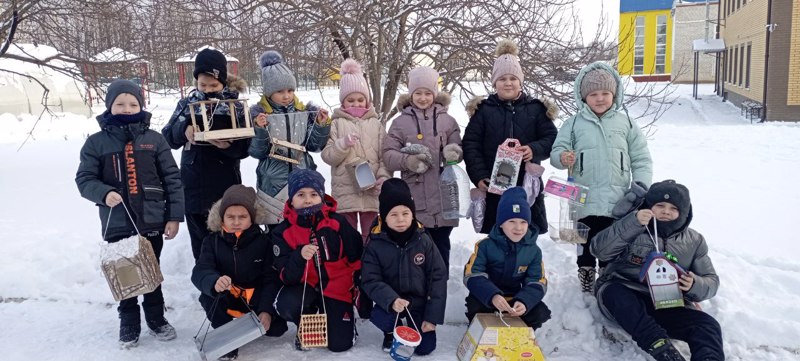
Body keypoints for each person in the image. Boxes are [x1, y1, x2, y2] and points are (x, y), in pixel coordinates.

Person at [76, 79, 183, 347]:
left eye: (133, 103)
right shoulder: (96, 143)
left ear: (141, 105)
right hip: (118, 223)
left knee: (152, 272)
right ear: (110, 106)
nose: (127, 108)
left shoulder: (154, 140)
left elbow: (172, 179)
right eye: (120, 103)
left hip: (152, 219)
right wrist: (102, 193)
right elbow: (84, 179)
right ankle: (129, 321)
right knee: (125, 273)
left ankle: (157, 319)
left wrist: (173, 216)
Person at [591, 180, 723, 361]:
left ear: (684, 212)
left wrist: (694, 284)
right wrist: (632, 223)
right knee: (615, 293)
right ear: (649, 206)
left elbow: (711, 281)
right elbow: (599, 251)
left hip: (667, 303)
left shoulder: (694, 240)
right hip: (625, 295)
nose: (666, 211)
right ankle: (663, 350)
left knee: (708, 326)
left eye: (673, 208)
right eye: (659, 205)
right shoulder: (632, 225)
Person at [550, 61, 653, 292]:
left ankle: (607, 272)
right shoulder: (574, 123)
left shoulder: (626, 123)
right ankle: (585, 270)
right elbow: (557, 151)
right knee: (583, 238)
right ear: (583, 97)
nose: (600, 98)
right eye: (593, 94)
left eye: (605, 93)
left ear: (614, 94)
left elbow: (641, 158)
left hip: (616, 197)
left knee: (612, 237)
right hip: (582, 195)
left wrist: (642, 185)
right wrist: (562, 157)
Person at [161, 47, 250, 260]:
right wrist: (184, 131)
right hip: (193, 184)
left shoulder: (234, 106)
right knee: (200, 240)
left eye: (214, 85)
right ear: (196, 82)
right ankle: (206, 283)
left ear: (223, 82)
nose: (208, 89)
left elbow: (246, 146)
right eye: (203, 85)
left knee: (226, 236)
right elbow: (167, 137)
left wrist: (227, 146)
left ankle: (230, 282)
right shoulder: (187, 104)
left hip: (224, 182)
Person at [463, 39, 558, 236]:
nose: (508, 83)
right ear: (494, 82)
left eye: (513, 78)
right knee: (496, 234)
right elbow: (471, 145)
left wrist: (534, 149)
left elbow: (551, 138)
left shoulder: (535, 109)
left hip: (527, 186)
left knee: (527, 233)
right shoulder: (483, 111)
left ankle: (527, 267)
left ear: (520, 81)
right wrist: (479, 176)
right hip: (494, 186)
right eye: (502, 78)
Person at [191, 185, 288, 360]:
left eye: (242, 216)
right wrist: (214, 281)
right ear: (222, 218)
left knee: (276, 330)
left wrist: (266, 310)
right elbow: (201, 270)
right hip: (227, 299)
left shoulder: (264, 242)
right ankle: (227, 338)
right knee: (209, 296)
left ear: (252, 218)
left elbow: (271, 279)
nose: (236, 222)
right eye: (230, 217)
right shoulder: (211, 241)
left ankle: (259, 319)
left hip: (253, 300)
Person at [271, 169, 363, 352]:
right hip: (304, 287)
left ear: (322, 196)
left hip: (336, 288)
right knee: (287, 304)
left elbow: (356, 255)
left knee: (339, 345)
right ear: (291, 198)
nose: (307, 199)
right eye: (301, 194)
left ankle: (341, 316)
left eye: (314, 194)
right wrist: (298, 256)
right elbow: (286, 276)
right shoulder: (282, 231)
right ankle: (306, 319)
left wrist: (356, 284)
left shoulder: (338, 222)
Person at [382, 66, 462, 269]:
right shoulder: (400, 123)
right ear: (411, 94)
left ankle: (439, 289)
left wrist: (453, 152)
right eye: (418, 93)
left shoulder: (448, 120)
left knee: (441, 248)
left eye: (428, 93)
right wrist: (407, 162)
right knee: (416, 250)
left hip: (444, 197)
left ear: (435, 93)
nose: (423, 98)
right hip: (415, 198)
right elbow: (388, 154)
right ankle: (417, 290)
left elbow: (458, 148)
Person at [361, 179, 447, 354]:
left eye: (405, 213)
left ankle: (415, 324)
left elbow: (437, 277)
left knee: (424, 349)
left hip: (418, 303)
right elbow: (370, 280)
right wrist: (391, 300)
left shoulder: (424, 240)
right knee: (379, 316)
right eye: (393, 214)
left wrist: (431, 317)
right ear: (384, 217)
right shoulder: (375, 244)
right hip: (392, 304)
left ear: (413, 214)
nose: (400, 219)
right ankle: (391, 331)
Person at [249, 50, 330, 229]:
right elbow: (257, 152)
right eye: (280, 91)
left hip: (304, 182)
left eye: (290, 90)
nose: (286, 96)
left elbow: (315, 146)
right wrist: (260, 129)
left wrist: (320, 125)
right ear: (269, 93)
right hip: (273, 184)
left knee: (305, 229)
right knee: (277, 233)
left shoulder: (304, 113)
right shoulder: (260, 116)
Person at [321, 58, 391, 242]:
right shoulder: (336, 124)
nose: (356, 104)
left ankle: (370, 268)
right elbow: (327, 155)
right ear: (343, 102)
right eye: (350, 100)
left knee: (373, 236)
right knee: (348, 237)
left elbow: (385, 155)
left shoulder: (376, 124)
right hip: (345, 194)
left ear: (367, 100)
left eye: (361, 99)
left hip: (372, 191)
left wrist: (383, 177)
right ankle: (351, 270)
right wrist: (342, 144)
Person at [463, 187, 551, 330]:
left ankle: (521, 333)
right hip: (489, 299)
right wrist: (492, 296)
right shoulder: (485, 246)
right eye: (511, 221)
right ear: (501, 223)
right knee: (475, 306)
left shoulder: (534, 251)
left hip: (515, 299)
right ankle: (480, 330)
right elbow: (472, 274)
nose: (518, 228)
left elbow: (537, 281)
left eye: (523, 222)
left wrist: (524, 301)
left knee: (540, 313)